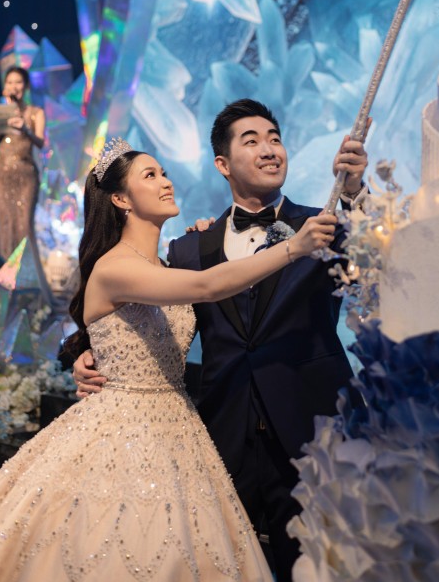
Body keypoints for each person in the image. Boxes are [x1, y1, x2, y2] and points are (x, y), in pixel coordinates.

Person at [0, 137, 337, 581]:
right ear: (121, 199)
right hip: (118, 432)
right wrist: (293, 248)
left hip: (179, 427)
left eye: (164, 173)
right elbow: (206, 287)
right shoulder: (113, 267)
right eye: (150, 176)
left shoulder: (168, 267)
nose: (166, 182)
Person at [75, 99, 368, 581]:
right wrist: (93, 355)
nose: (269, 149)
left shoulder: (321, 226)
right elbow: (134, 313)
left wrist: (354, 191)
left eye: (275, 139)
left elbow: (373, 265)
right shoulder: (188, 248)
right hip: (219, 439)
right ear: (223, 164)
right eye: (251, 141)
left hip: (311, 434)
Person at [0, 66, 45, 263]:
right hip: (3, 176)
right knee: (6, 225)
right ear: (5, 86)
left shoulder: (36, 112)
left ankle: (26, 276)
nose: (14, 86)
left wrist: (25, 128)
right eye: (10, 82)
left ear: (25, 86)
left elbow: (40, 142)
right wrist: (5, 114)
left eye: (18, 82)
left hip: (26, 175)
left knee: (24, 225)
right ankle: (3, 275)